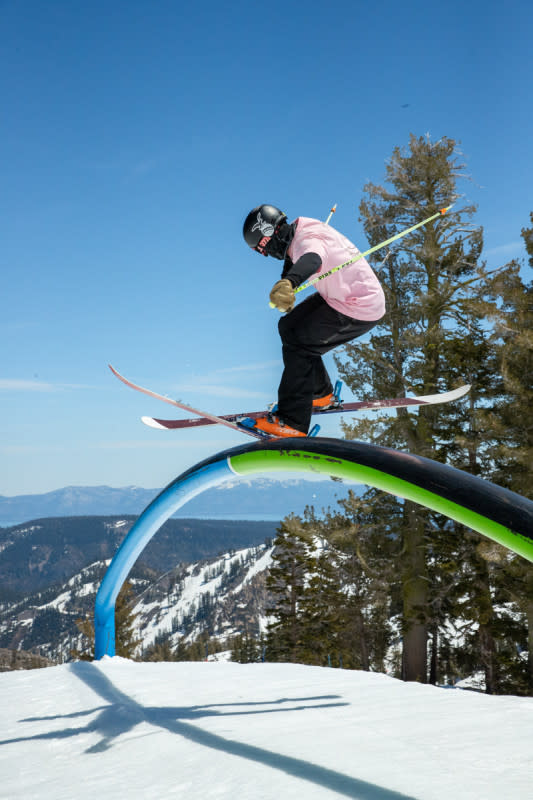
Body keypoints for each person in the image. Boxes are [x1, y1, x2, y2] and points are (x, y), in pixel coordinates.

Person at [242, 204, 386, 438]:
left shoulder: (307, 240)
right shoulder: (299, 230)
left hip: (358, 306)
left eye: (262, 249)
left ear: (268, 234)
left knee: (299, 342)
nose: (266, 255)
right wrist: (287, 280)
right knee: (290, 327)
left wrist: (290, 283)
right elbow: (293, 258)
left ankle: (292, 423)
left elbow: (311, 258)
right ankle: (320, 395)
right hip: (344, 296)